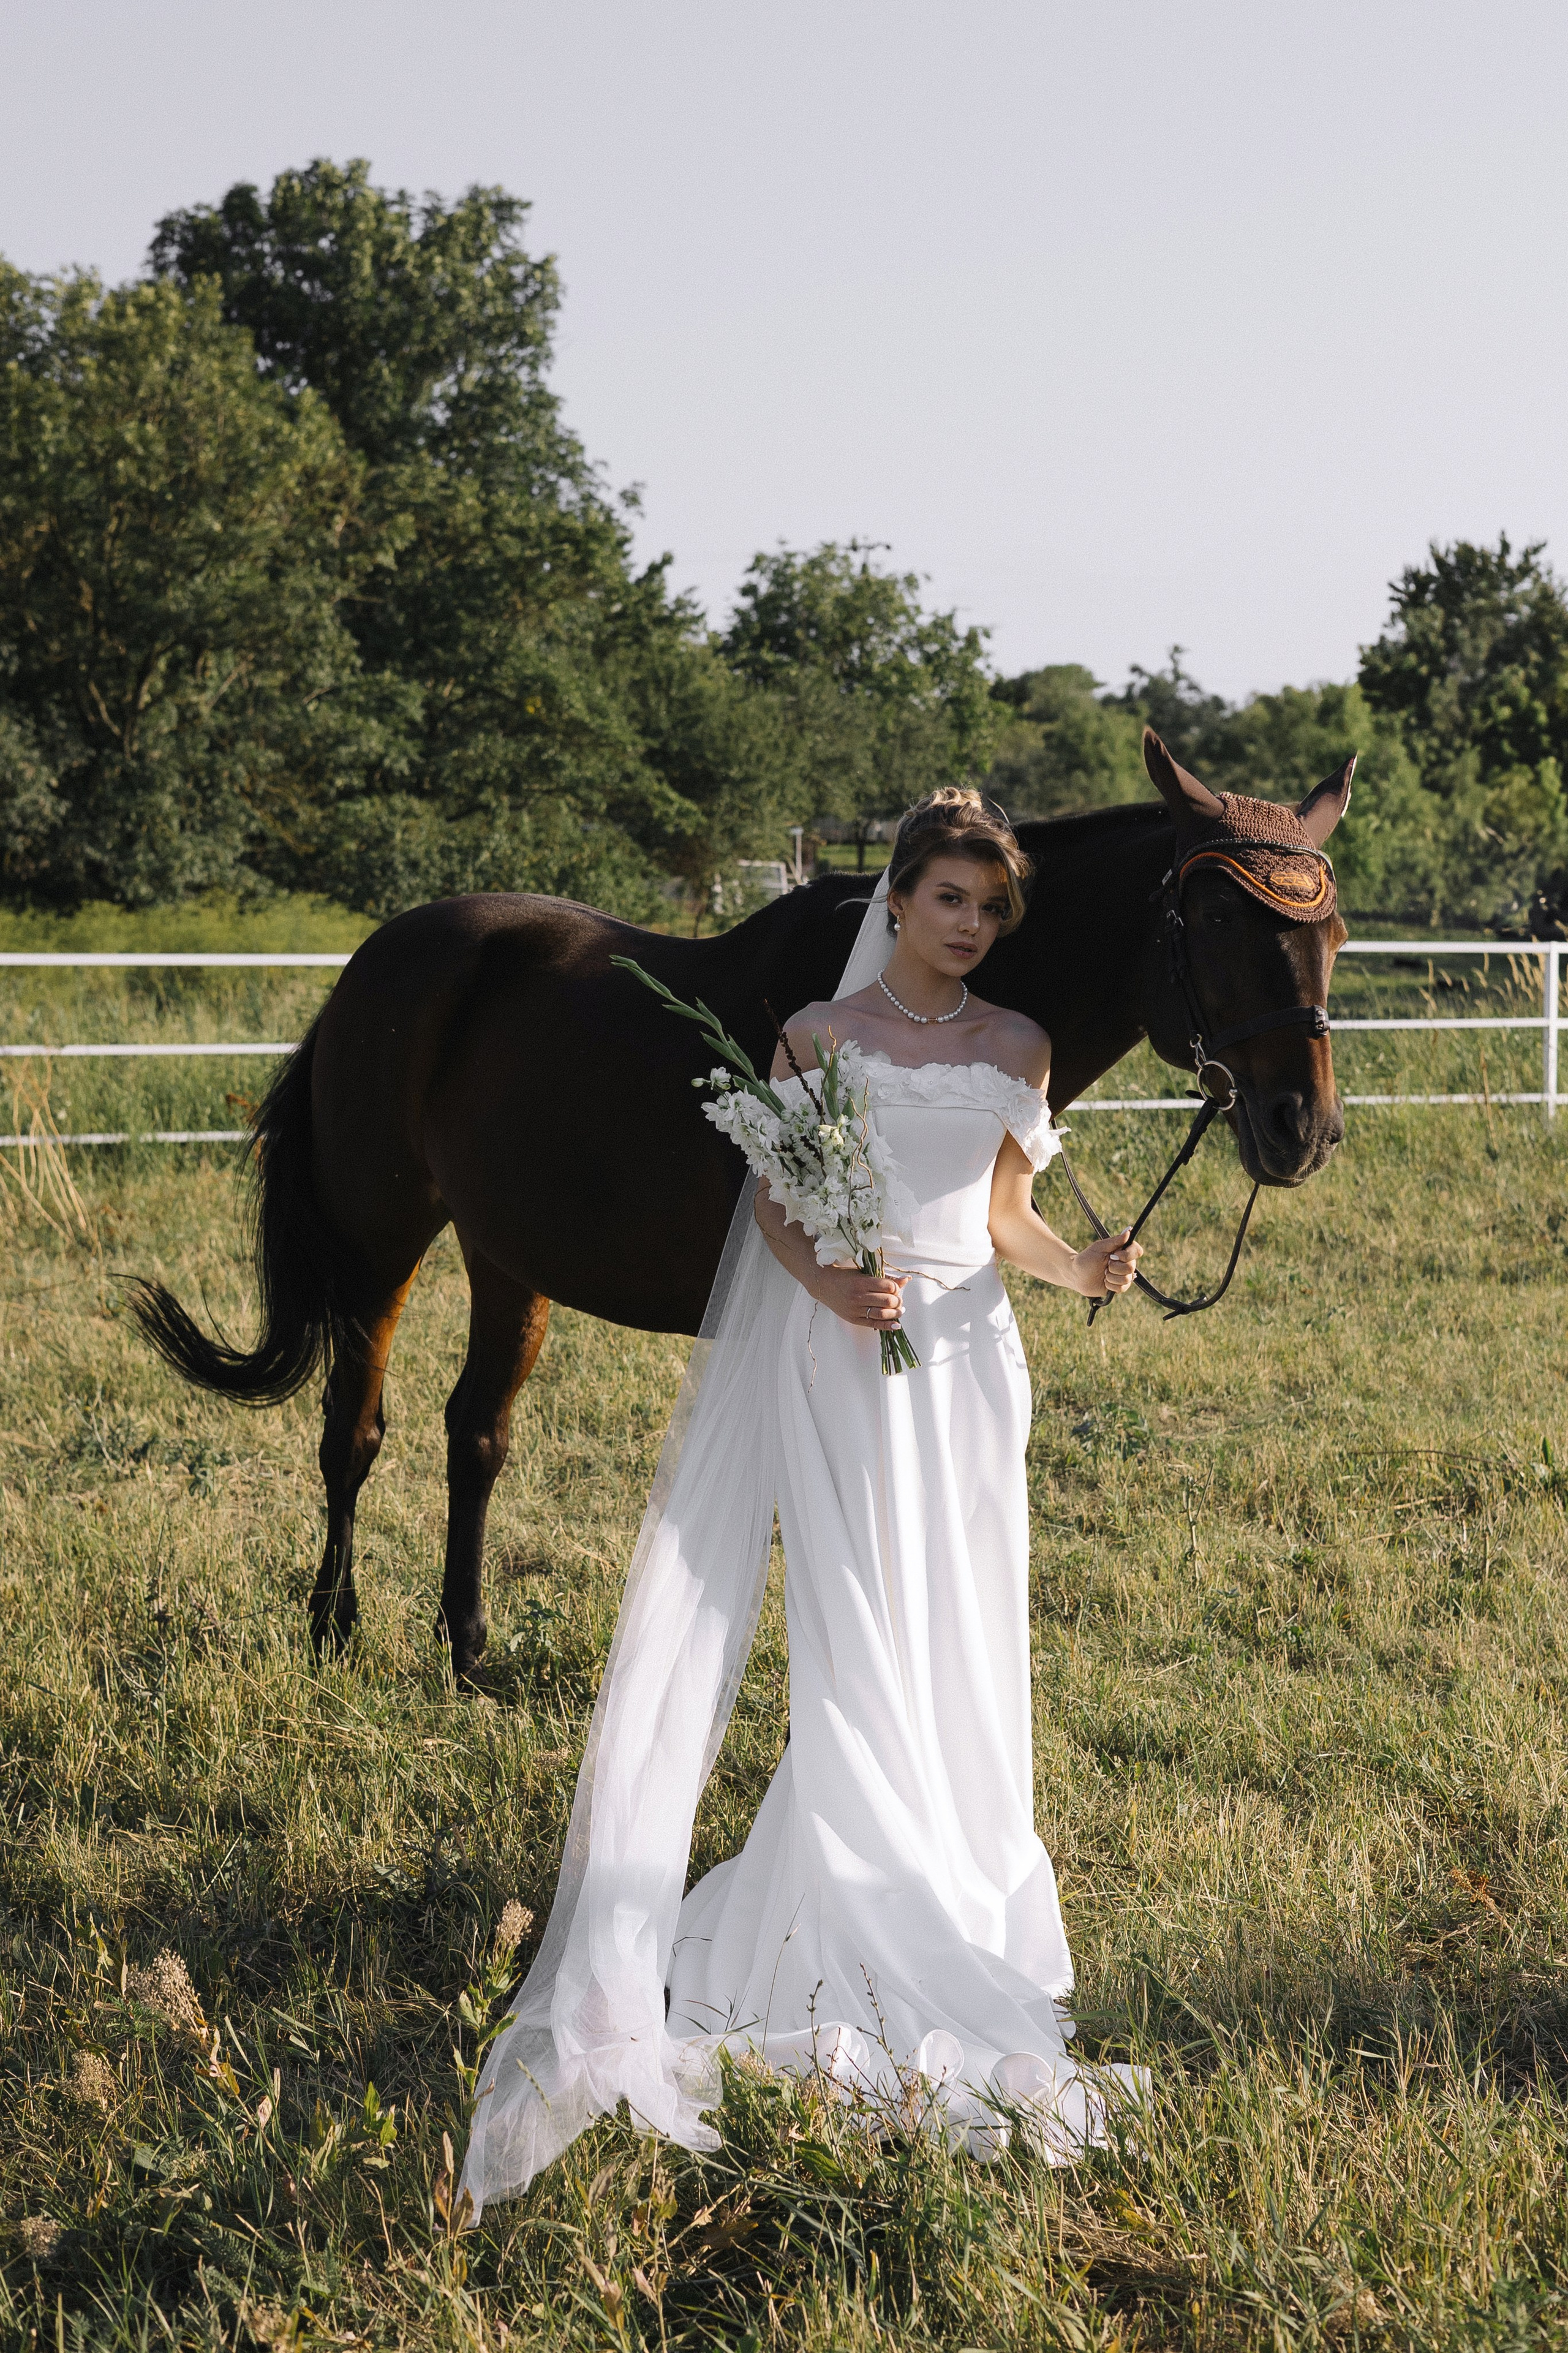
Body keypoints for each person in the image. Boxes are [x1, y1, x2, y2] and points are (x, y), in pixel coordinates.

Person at [460, 788, 1144, 2218]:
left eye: (989, 908)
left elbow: (1004, 1209)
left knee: (961, 1614)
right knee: (854, 1619)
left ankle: (955, 1880)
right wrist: (834, 1281)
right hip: (842, 1357)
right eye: (948, 900)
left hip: (966, 1359)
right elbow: (775, 1196)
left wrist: (1078, 1268)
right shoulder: (820, 1042)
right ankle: (846, 1877)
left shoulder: (1019, 1048)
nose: (970, 927)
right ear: (893, 903)